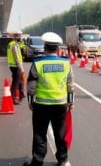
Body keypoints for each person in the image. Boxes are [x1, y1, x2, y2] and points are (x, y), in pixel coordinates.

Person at [25, 32, 75, 166]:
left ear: (45, 48)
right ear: (58, 49)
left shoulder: (38, 63)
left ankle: (37, 161)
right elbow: (70, 84)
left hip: (41, 104)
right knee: (60, 133)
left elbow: (31, 85)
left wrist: (30, 102)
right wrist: (71, 101)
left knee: (40, 133)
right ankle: (63, 160)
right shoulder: (66, 63)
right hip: (60, 104)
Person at [7, 30, 26, 104]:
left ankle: (21, 94)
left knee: (20, 79)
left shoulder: (10, 44)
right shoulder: (14, 45)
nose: (19, 37)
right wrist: (21, 68)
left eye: (20, 35)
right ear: (14, 36)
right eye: (18, 36)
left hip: (12, 65)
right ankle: (12, 98)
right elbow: (17, 57)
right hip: (16, 66)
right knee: (16, 82)